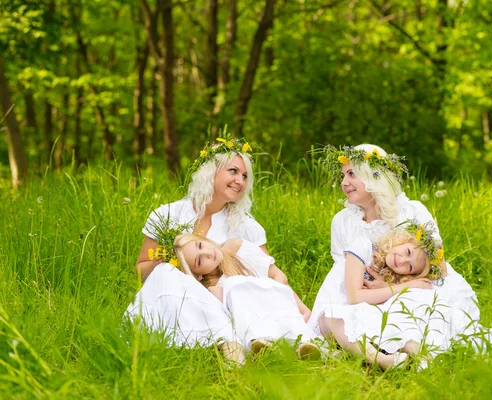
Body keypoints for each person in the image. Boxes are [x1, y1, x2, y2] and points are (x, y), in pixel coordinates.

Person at [308, 144, 489, 362]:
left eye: (352, 174)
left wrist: (391, 287)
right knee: (334, 318)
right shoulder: (343, 221)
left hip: (413, 288)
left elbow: (437, 266)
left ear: (373, 176)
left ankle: (407, 348)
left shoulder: (411, 211)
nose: (344, 183)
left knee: (421, 314)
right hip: (361, 292)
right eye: (343, 175)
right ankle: (385, 352)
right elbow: (342, 273)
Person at [135, 137, 278, 282]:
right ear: (211, 170)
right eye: (233, 171)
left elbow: (271, 276)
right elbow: (140, 272)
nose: (240, 181)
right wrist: (159, 264)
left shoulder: (246, 227)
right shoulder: (167, 215)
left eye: (245, 176)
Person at [320, 222, 449, 370]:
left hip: (369, 319)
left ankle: (420, 354)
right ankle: (382, 360)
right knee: (332, 317)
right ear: (404, 240)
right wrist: (400, 287)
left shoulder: (395, 276)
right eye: (408, 252)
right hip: (340, 315)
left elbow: (442, 275)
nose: (401, 261)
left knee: (402, 310)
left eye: (410, 267)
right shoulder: (363, 247)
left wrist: (391, 288)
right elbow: (354, 298)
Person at [173, 233, 320, 360]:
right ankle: (265, 347)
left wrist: (265, 296)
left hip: (276, 301)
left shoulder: (238, 252)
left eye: (200, 245)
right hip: (252, 322)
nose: (207, 253)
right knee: (234, 290)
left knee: (238, 285)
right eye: (199, 261)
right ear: (198, 275)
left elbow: (278, 276)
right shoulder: (212, 291)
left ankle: (302, 347)